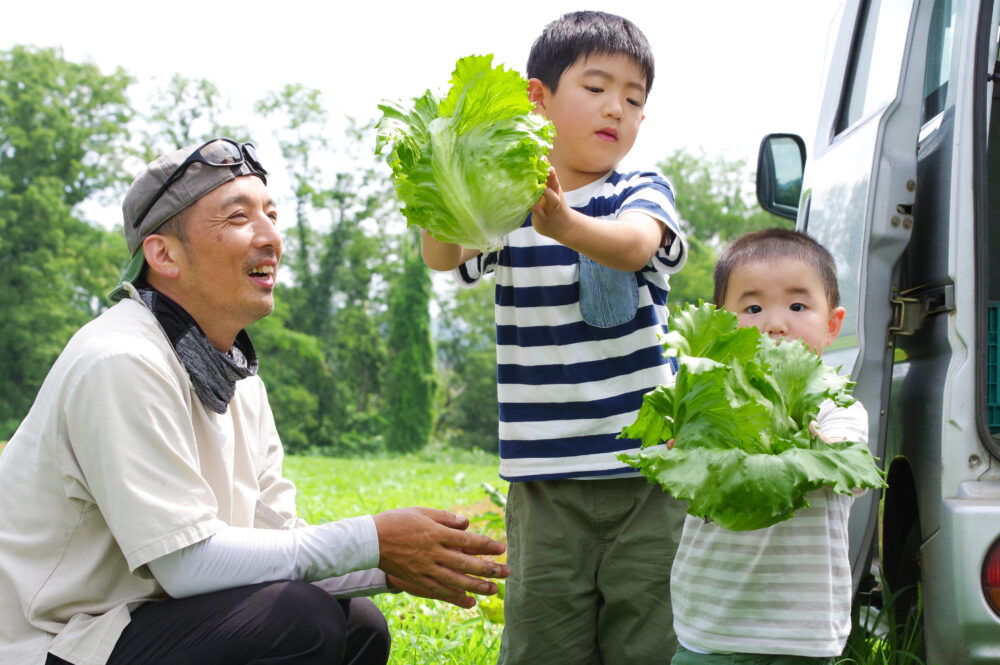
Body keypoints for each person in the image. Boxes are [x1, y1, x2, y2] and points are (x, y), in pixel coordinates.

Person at [0, 138, 509, 665]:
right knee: (299, 622)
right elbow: (185, 566)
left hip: (144, 622)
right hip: (55, 642)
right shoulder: (121, 359)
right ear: (164, 254)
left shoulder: (236, 375)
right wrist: (374, 540)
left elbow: (276, 541)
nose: (270, 237)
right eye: (238, 217)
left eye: (270, 214)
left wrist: (399, 564)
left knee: (358, 624)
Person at [421, 11, 688, 665]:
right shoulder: (505, 202)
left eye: (634, 98)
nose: (617, 109)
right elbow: (443, 253)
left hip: (647, 477)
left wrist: (565, 223)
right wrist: (442, 172)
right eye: (596, 88)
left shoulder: (638, 190)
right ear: (539, 99)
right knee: (545, 639)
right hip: (544, 482)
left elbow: (635, 246)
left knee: (651, 638)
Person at [668, 227, 868, 664]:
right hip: (712, 625)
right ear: (721, 322)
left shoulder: (840, 406)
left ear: (833, 324)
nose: (775, 324)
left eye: (798, 306)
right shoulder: (702, 396)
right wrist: (678, 448)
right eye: (753, 307)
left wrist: (814, 442)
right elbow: (676, 465)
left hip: (801, 634)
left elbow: (850, 470)